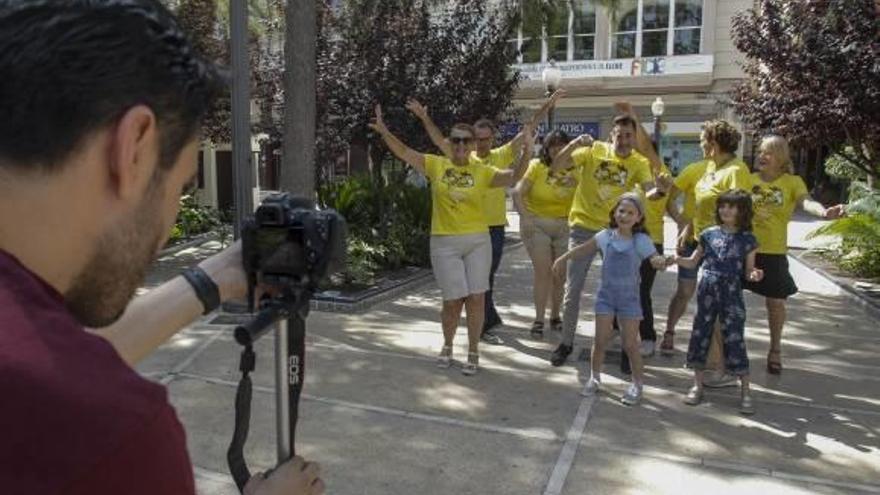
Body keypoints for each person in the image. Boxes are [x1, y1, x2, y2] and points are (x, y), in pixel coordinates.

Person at [0, 1, 323, 494]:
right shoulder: (112, 434)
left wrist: (220, 275)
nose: (169, 227)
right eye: (179, 188)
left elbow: (58, 360)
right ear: (134, 147)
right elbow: (67, 387)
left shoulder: (36, 381)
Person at [369, 105, 534, 375]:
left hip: (477, 241)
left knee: (477, 298)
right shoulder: (437, 165)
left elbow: (514, 176)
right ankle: (447, 345)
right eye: (455, 139)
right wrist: (385, 130)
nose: (459, 144)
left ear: (472, 145)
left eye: (465, 141)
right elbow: (403, 151)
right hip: (444, 242)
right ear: (451, 142)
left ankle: (473, 351)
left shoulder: (482, 170)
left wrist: (527, 150)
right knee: (452, 301)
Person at [407, 90, 563, 345]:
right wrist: (424, 117)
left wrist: (548, 104)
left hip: (493, 229)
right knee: (476, 285)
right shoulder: (459, 155)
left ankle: (484, 322)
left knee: (485, 279)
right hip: (464, 230)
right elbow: (437, 139)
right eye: (477, 139)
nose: (481, 143)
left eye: (486, 139)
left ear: (492, 139)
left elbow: (529, 127)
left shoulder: (500, 156)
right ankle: (482, 325)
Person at [547, 115, 655, 366]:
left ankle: (629, 349)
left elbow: (649, 190)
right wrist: (574, 144)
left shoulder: (639, 162)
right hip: (583, 228)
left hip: (616, 232)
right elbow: (556, 166)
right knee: (572, 291)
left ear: (634, 137)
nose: (624, 140)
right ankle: (565, 343)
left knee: (625, 290)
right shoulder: (593, 150)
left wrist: (659, 189)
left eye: (629, 136)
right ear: (612, 135)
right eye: (620, 135)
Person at [552, 193, 670, 405]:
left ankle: (637, 384)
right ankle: (594, 378)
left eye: (630, 212)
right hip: (606, 297)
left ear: (639, 218)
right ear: (614, 213)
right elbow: (582, 249)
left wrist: (661, 261)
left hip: (629, 300)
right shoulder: (604, 236)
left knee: (630, 345)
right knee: (599, 341)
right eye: (621, 211)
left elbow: (655, 260)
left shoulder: (641, 240)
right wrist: (563, 258)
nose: (624, 215)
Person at [659, 120, 750, 389]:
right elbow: (686, 201)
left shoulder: (737, 170)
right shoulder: (705, 167)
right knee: (687, 293)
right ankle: (672, 333)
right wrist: (683, 225)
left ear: (715, 142)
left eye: (703, 140)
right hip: (696, 241)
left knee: (719, 308)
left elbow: (742, 211)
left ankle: (720, 366)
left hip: (721, 251)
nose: (700, 144)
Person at [745, 135, 845, 374]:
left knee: (776, 304)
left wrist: (824, 213)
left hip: (774, 252)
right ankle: (728, 351)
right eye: (760, 151)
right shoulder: (748, 179)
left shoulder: (792, 182)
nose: (762, 156)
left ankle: (775, 349)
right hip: (744, 250)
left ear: (781, 157)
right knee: (729, 302)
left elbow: (806, 202)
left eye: (768, 152)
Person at [674, 190, 764, 415]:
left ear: (742, 211)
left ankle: (745, 391)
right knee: (700, 333)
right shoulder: (708, 234)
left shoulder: (748, 239)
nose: (726, 210)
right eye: (723, 206)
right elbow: (693, 261)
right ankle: (697, 385)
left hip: (732, 291)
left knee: (734, 337)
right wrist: (674, 259)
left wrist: (755, 275)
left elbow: (749, 269)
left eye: (731, 207)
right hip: (707, 288)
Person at [512, 130, 578, 338]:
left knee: (560, 275)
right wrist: (525, 217)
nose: (557, 149)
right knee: (543, 272)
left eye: (562, 145)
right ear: (547, 149)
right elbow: (517, 192)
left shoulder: (578, 169)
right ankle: (539, 319)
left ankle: (555, 316)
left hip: (566, 226)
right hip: (538, 224)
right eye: (553, 145)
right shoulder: (537, 166)